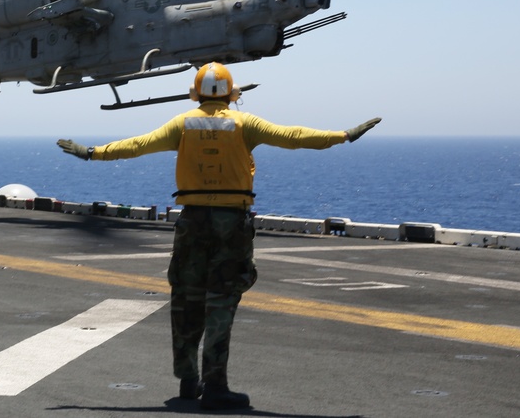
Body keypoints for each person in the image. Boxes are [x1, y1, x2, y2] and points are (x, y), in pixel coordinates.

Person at [57, 63, 381, 411]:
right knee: (221, 301)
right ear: (232, 93)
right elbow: (294, 137)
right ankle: (215, 386)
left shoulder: (182, 124)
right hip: (230, 223)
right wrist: (343, 135)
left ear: (196, 93)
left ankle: (187, 380)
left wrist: (91, 152)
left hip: (192, 221)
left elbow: (137, 145)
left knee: (186, 296)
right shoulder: (245, 124)